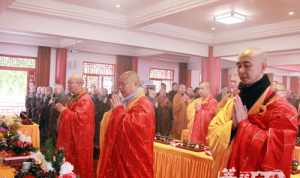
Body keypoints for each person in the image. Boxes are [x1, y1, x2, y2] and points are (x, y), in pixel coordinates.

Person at [208, 48, 298, 178]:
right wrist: (232, 126)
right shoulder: (234, 101)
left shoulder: (281, 108)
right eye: (238, 66)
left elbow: (278, 154)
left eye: (247, 65)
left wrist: (244, 126)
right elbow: (213, 131)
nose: (241, 71)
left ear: (263, 66)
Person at [98, 71, 155, 178]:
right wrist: (114, 111)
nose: (120, 87)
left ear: (135, 84)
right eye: (119, 84)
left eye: (123, 84)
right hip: (122, 155)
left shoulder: (144, 104)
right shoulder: (128, 101)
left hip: (135, 158)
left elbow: (134, 128)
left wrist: (118, 110)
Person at [55, 75, 95, 178]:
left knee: (78, 168)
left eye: (70, 83)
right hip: (71, 141)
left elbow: (79, 120)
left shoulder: (85, 100)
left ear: (80, 84)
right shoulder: (75, 97)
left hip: (79, 143)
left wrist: (64, 110)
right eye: (68, 83)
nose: (68, 85)